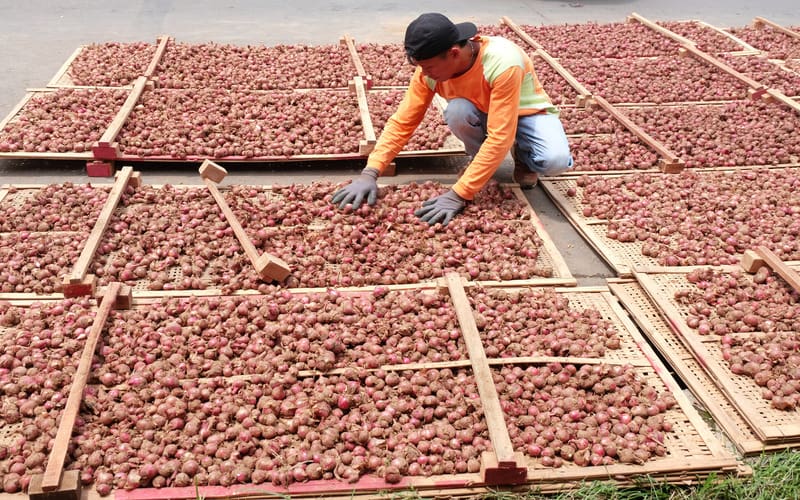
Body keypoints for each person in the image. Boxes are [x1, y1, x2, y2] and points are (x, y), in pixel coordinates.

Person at [332, 12, 573, 226]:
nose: (424, 73)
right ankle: (481, 162)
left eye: (428, 67)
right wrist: (371, 171)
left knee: (555, 160)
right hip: (483, 114)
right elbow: (403, 120)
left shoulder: (503, 62)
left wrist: (459, 194)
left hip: (526, 114)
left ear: (454, 53)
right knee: (457, 111)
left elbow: (501, 135)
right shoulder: (429, 72)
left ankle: (524, 158)